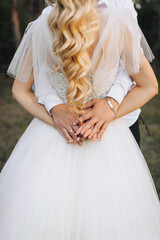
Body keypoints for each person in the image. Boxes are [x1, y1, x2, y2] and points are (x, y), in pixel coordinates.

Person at [0, 0, 160, 239]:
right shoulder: (117, 23)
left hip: (54, 139)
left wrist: (56, 117)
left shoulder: (43, 24)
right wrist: (110, 110)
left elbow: (19, 91)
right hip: (105, 136)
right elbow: (149, 86)